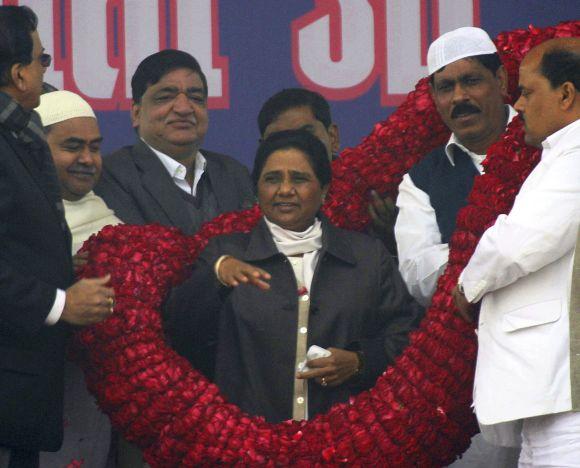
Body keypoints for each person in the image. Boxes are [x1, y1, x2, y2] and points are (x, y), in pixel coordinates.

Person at [165, 129, 423, 423]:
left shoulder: (367, 256)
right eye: (272, 179)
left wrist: (361, 361)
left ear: (324, 189)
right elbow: (180, 330)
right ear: (257, 189)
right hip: (249, 446)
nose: (285, 190)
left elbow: (408, 335)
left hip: (346, 443)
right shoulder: (226, 253)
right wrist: (216, 277)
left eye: (299, 179)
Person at [394, 27, 521, 466]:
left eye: (471, 81)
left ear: (502, 81)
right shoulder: (421, 180)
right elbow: (420, 275)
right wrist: (507, 251)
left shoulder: (550, 147)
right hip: (472, 381)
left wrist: (468, 260)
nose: (459, 97)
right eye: (445, 87)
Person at [453, 37, 580, 467]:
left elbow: (517, 242)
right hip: (553, 397)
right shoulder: (562, 154)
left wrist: (468, 285)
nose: (519, 105)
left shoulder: (577, 155)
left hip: (569, 402)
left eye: (527, 92)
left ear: (566, 95)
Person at [0, 6, 114, 467]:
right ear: (18, 73)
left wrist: (66, 270)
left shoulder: (16, 137)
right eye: (41, 60)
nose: (45, 69)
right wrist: (61, 302)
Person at [35, 90, 121, 468]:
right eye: (72, 147)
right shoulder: (18, 216)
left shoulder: (104, 211)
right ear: (37, 148)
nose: (87, 160)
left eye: (95, 148)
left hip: (92, 398)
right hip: (32, 388)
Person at [95, 49, 254, 236]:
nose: (184, 108)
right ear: (136, 113)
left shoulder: (233, 173)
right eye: (165, 97)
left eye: (196, 98)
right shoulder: (112, 175)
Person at [257, 88, 398, 254]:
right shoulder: (247, 201)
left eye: (306, 134)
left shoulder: (374, 187)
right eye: (278, 139)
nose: (294, 146)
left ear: (333, 137)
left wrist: (393, 233)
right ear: (262, 147)